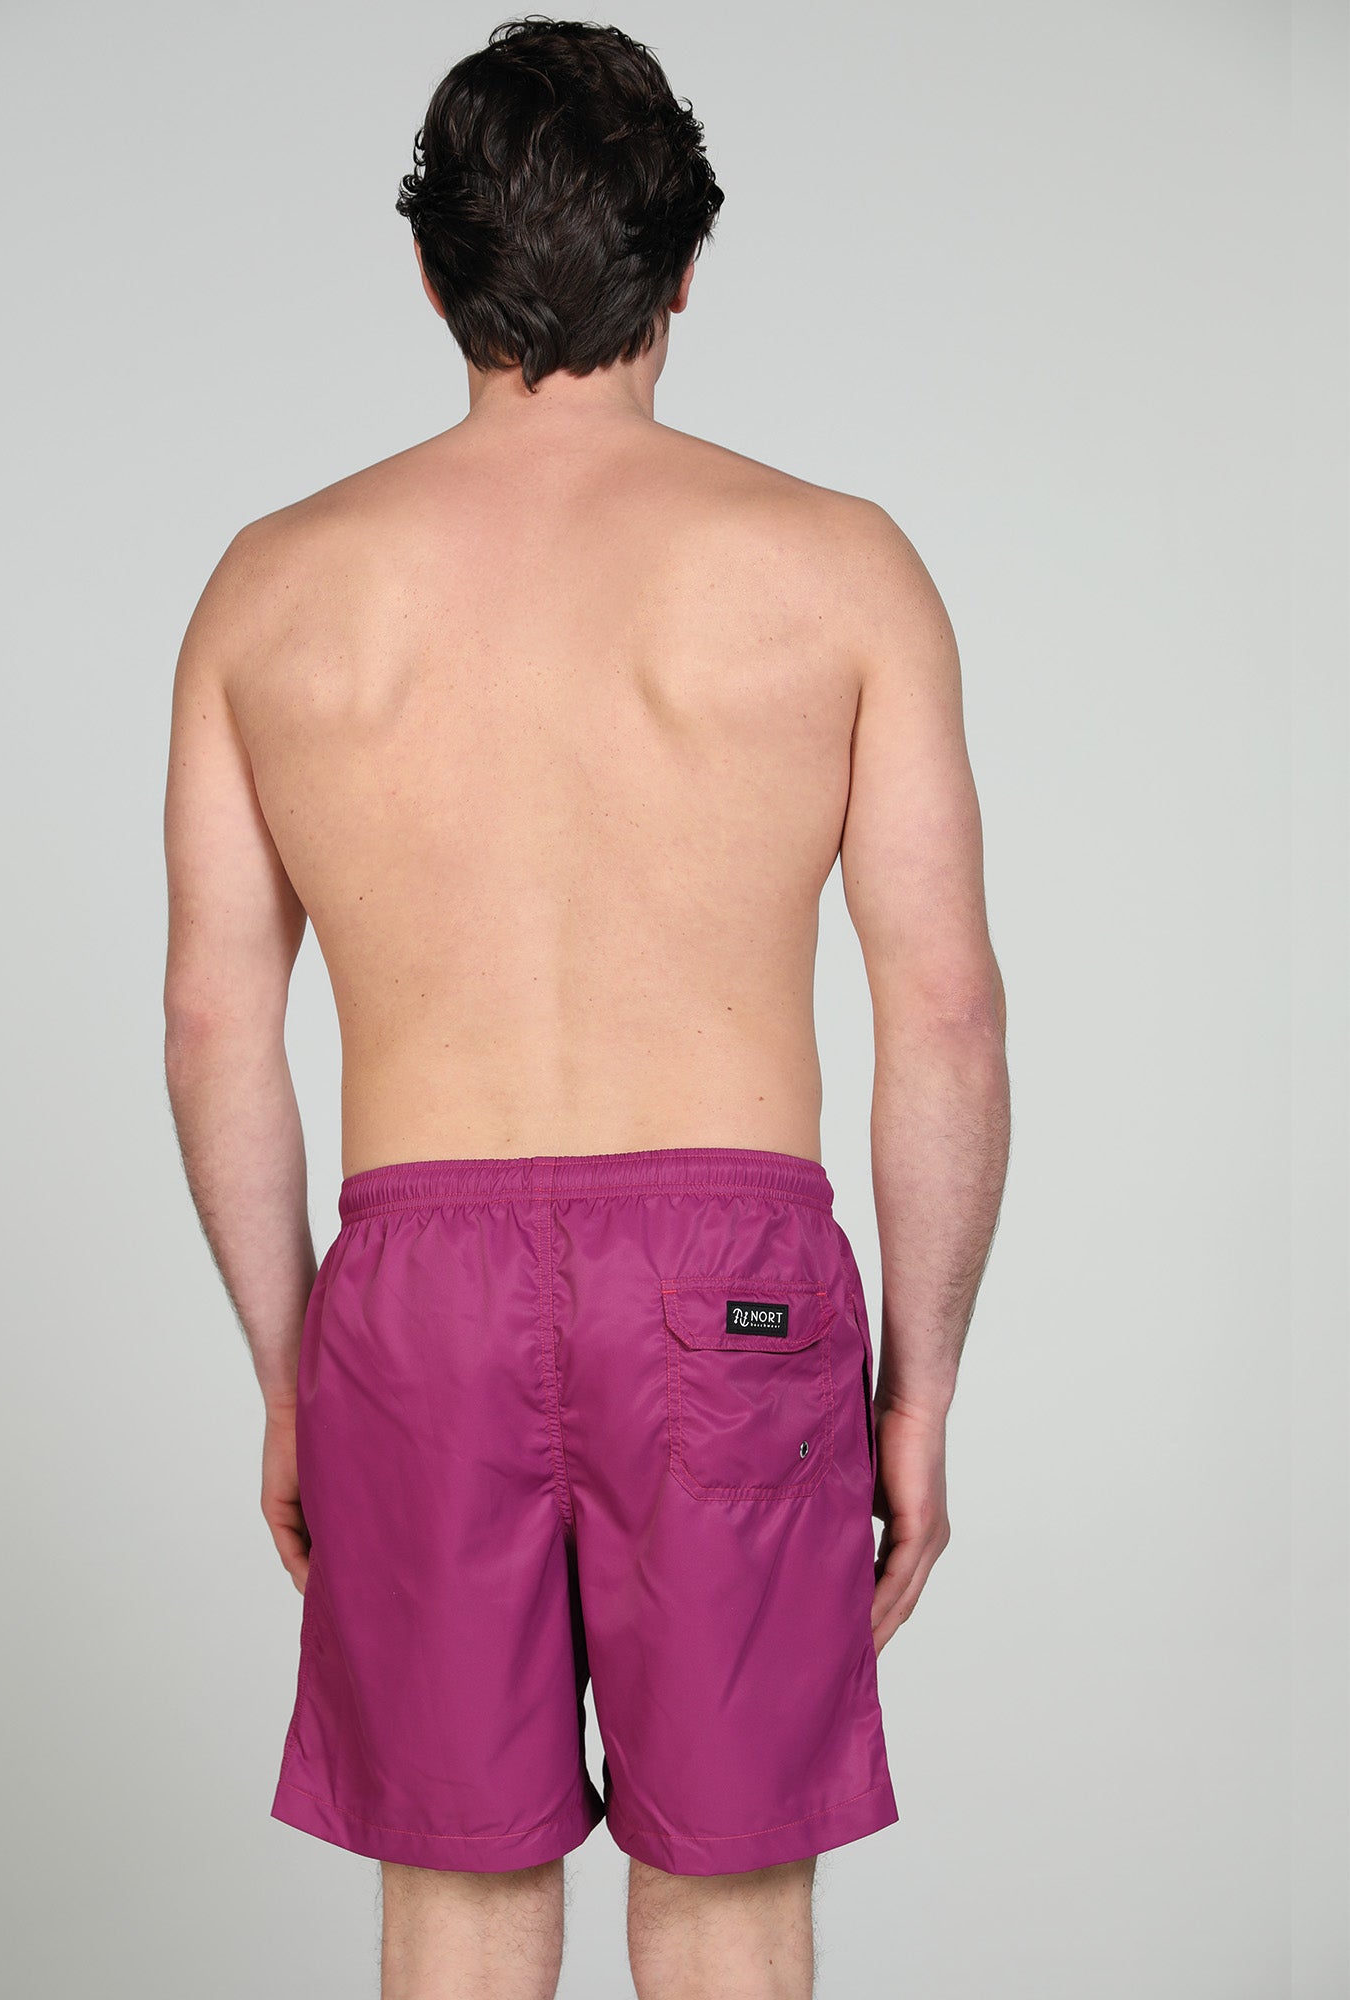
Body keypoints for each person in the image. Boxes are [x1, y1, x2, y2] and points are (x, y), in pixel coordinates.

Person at [162, 18, 1010, 1999]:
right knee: (730, 1897)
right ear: (685, 264)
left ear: (431, 269)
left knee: (458, 1901)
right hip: (732, 1290)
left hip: (415, 1293)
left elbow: (216, 1028)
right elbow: (946, 1013)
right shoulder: (838, 569)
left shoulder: (271, 592)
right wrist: (920, 1394)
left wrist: (291, 1378)